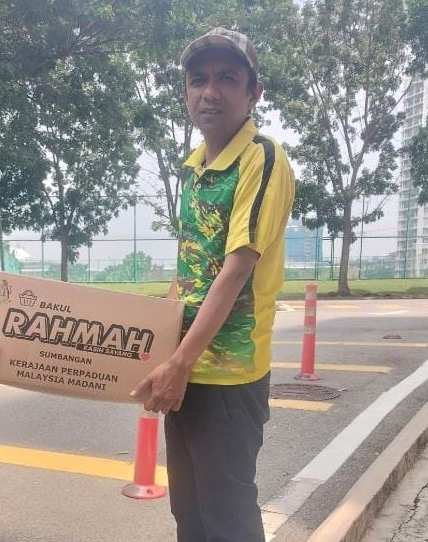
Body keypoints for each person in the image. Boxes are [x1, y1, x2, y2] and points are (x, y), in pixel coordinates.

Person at [131, 28, 295, 542]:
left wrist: (179, 363)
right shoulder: (195, 167)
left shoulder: (261, 158)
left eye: (227, 79)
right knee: (190, 513)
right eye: (198, 80)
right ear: (185, 91)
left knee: (228, 519)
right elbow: (190, 270)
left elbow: (236, 268)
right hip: (185, 374)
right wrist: (162, 353)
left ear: (253, 92)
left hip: (228, 377)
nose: (210, 92)